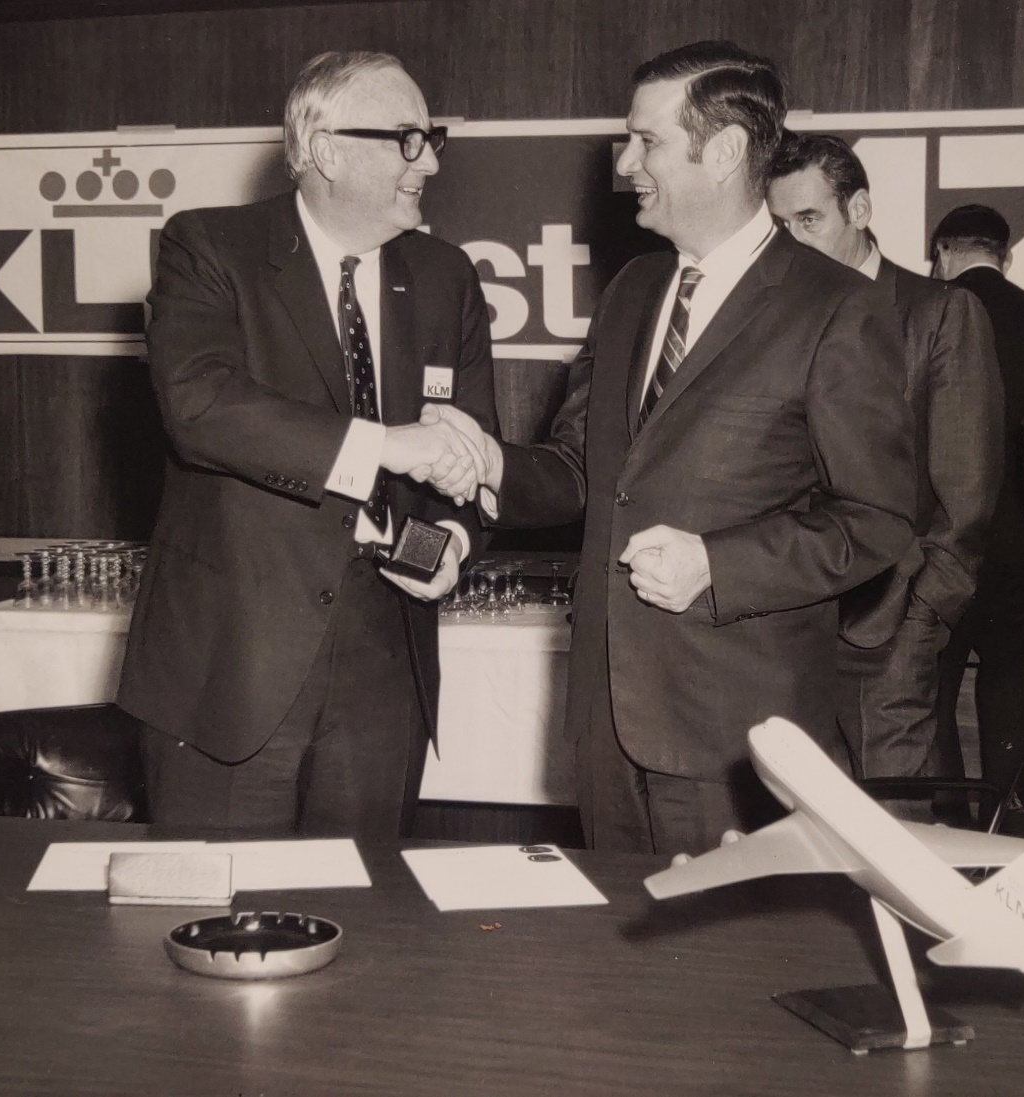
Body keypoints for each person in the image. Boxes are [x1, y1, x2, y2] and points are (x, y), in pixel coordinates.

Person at [426, 41, 918, 853]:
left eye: (646, 141)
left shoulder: (835, 308)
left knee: (727, 972)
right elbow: (584, 469)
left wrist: (717, 564)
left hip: (733, 734)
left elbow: (878, 518)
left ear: (722, 151)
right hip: (605, 727)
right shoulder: (634, 291)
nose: (625, 163)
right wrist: (494, 464)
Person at [118, 51, 497, 839]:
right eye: (407, 139)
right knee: (213, 921)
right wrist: (386, 443)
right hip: (231, 665)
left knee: (366, 929)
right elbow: (201, 405)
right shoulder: (208, 248)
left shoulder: (445, 276)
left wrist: (448, 543)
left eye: (431, 139)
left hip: (384, 668)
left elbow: (461, 456)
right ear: (325, 149)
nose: (427, 160)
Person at [764, 136, 1001, 806]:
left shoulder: (940, 312)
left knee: (889, 830)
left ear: (859, 208)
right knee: (800, 827)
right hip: (786, 622)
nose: (793, 243)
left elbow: (968, 493)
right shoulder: (770, 320)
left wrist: (922, 618)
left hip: (890, 625)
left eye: (809, 220)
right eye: (779, 227)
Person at [926, 204, 1024, 805]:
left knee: (928, 709)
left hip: (940, 548)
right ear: (1006, 257)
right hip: (1023, 553)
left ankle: (945, 840)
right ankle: (1009, 842)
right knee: (1019, 712)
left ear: (941, 255)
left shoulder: (923, 314)